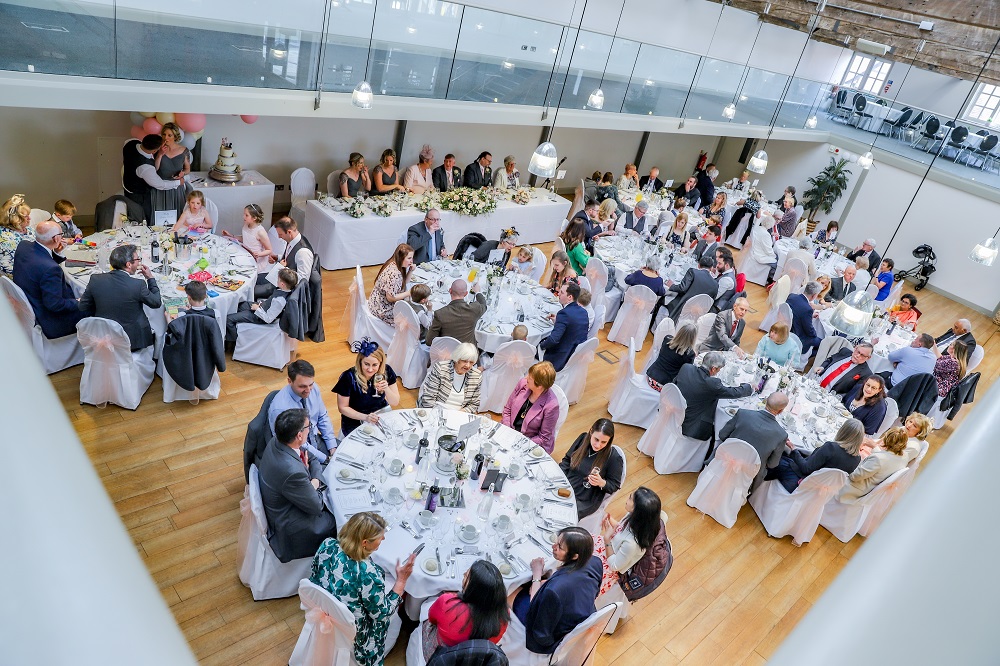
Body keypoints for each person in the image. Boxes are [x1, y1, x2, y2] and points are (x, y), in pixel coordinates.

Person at [309, 513, 414, 666]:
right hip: (356, 632)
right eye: (380, 537)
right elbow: (382, 614)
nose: (383, 539)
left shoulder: (327, 545)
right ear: (365, 542)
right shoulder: (368, 574)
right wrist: (401, 580)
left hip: (326, 607)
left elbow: (314, 574)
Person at [258, 408, 338, 562]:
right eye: (309, 427)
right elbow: (316, 505)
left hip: (290, 497)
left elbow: (312, 458)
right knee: (341, 521)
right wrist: (315, 482)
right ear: (299, 435)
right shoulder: (292, 471)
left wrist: (312, 478)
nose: (311, 430)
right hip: (291, 525)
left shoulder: (279, 440)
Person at [510, 526, 603, 656]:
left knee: (510, 592)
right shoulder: (595, 561)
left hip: (550, 636)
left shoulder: (555, 591)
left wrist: (537, 574)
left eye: (560, 547)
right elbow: (595, 592)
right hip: (576, 615)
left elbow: (536, 617)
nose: (553, 546)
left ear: (575, 556)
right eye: (556, 541)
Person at [78, 243, 162, 352]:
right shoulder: (138, 285)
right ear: (128, 265)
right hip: (132, 341)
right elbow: (156, 302)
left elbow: (82, 306)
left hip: (104, 336)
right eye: (138, 259)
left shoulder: (95, 279)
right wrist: (150, 278)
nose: (139, 263)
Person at [12, 219, 85, 339]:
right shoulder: (50, 269)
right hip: (49, 320)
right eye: (61, 235)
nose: (62, 238)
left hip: (32, 299)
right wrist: (79, 301)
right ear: (56, 239)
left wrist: (56, 251)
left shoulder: (24, 245)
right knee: (96, 306)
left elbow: (39, 264)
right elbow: (55, 305)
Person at [426, 560, 509, 656]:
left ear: (474, 589)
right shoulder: (503, 614)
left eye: (466, 576)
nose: (464, 575)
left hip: (443, 656)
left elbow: (431, 619)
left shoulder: (447, 603)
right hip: (476, 657)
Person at [768, 418, 864, 493]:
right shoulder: (857, 459)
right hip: (818, 491)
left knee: (777, 456)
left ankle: (758, 489)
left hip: (798, 483)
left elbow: (805, 468)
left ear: (843, 431)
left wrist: (793, 448)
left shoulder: (831, 447)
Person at [717, 392, 790, 490]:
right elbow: (772, 464)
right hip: (749, 475)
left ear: (766, 401)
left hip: (724, 460)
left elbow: (722, 435)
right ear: (781, 411)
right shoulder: (781, 435)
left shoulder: (743, 414)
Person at [674, 352, 753, 442]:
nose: (719, 372)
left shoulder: (686, 367)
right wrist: (749, 387)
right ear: (713, 369)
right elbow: (733, 393)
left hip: (674, 412)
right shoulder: (712, 384)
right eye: (719, 369)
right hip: (691, 426)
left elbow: (674, 384)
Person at [268, 359, 338, 456]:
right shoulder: (280, 409)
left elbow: (322, 416)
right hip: (298, 451)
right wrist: (323, 457)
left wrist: (332, 446)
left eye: (311, 384)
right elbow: (292, 444)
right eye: (302, 386)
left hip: (314, 438)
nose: (308, 390)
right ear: (289, 381)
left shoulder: (314, 388)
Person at [333, 339, 400, 437]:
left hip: (380, 413)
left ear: (381, 363)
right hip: (355, 419)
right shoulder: (348, 377)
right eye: (366, 364)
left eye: (375, 365)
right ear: (360, 362)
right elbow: (343, 408)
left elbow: (395, 402)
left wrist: (387, 389)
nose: (370, 369)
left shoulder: (387, 371)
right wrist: (365, 417)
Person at [559, 419, 624, 519]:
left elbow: (614, 485)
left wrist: (602, 482)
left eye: (604, 442)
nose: (598, 445)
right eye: (596, 439)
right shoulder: (582, 439)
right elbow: (567, 461)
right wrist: (557, 479)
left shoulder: (614, 458)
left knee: (561, 514)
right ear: (591, 432)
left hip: (585, 498)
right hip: (567, 483)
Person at [599, 487, 664, 577]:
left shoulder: (632, 543)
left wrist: (607, 539)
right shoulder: (638, 520)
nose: (627, 500)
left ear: (636, 509)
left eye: (630, 498)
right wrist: (609, 519)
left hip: (608, 568)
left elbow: (614, 566)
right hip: (610, 549)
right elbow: (621, 528)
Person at [225, 268, 297, 343]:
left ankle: (234, 341)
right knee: (240, 305)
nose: (276, 280)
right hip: (261, 307)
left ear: (282, 284)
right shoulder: (282, 291)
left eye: (278, 279)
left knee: (229, 319)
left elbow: (268, 319)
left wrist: (257, 309)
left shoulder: (280, 300)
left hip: (260, 316)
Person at [123, 133, 183, 222]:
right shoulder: (145, 167)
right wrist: (178, 182)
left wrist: (159, 155)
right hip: (137, 195)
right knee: (141, 218)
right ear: (154, 151)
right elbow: (160, 184)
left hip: (127, 182)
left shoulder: (130, 142)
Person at [838, 426, 908, 503]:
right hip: (870, 486)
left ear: (886, 439)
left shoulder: (878, 459)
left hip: (852, 489)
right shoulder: (904, 457)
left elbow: (854, 477)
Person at [502, 361, 560, 454]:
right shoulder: (523, 384)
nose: (526, 377)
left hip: (529, 443)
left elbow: (543, 438)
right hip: (509, 431)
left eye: (530, 377)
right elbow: (507, 409)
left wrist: (519, 442)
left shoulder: (551, 406)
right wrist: (508, 429)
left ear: (539, 386)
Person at [222, 204, 272, 294]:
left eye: (246, 215)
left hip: (256, 259)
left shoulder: (260, 232)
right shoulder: (246, 225)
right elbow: (245, 238)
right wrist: (231, 236)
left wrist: (259, 254)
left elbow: (269, 250)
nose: (243, 216)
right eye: (244, 214)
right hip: (245, 253)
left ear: (254, 218)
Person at [539, 281, 589, 372]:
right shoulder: (584, 312)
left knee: (535, 344)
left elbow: (554, 340)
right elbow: (572, 329)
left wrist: (541, 346)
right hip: (574, 356)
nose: (558, 294)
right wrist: (558, 322)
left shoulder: (564, 313)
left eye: (562, 293)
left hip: (559, 358)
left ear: (570, 297)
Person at [418, 343, 482, 412]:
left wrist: (459, 414)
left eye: (471, 362)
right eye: (464, 361)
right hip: (437, 410)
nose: (468, 365)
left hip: (459, 414)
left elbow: (474, 404)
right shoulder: (441, 369)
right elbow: (428, 398)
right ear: (457, 359)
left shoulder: (476, 376)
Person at [425, 279, 487, 346]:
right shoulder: (474, 309)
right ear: (466, 294)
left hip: (445, 352)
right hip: (468, 353)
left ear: (450, 290)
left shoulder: (440, 314)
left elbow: (429, 341)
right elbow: (483, 304)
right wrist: (477, 292)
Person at [368, 244, 414, 326]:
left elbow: (403, 284)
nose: (412, 261)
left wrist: (410, 271)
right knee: (411, 316)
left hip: (376, 301)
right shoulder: (394, 274)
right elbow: (391, 298)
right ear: (401, 258)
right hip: (381, 309)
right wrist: (409, 293)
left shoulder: (392, 263)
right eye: (409, 258)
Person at [151, 122, 191, 216]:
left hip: (176, 188)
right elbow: (155, 169)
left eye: (169, 135)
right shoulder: (157, 149)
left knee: (177, 216)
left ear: (175, 137)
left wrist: (182, 173)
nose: (166, 138)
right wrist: (160, 154)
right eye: (164, 134)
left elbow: (187, 169)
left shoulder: (184, 151)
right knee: (160, 217)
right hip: (160, 187)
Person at [664, 255, 718, 322]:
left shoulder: (693, 272)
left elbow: (682, 288)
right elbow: (710, 301)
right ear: (711, 268)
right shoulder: (715, 284)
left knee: (664, 298)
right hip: (698, 313)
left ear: (698, 265)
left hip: (683, 306)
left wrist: (672, 286)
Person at [646, 323, 697, 390]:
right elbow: (686, 372)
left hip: (650, 376)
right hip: (664, 385)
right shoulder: (689, 354)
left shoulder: (667, 339)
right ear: (693, 338)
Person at [269, 216, 315, 291]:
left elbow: (303, 280)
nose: (279, 237)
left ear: (289, 232)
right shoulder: (292, 240)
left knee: (255, 290)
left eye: (280, 234)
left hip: (284, 287)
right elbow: (291, 257)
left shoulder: (303, 253)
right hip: (278, 279)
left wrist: (282, 269)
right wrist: (278, 257)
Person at [787, 281, 823, 356]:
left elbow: (796, 311)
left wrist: (809, 316)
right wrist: (815, 334)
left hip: (788, 327)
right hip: (798, 336)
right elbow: (809, 331)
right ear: (814, 296)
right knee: (823, 344)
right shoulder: (807, 309)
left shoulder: (791, 296)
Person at [1, 194, 32, 279]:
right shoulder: (4, 237)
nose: (30, 218)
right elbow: (6, 267)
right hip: (21, 278)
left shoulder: (30, 230)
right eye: (26, 216)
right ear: (14, 218)